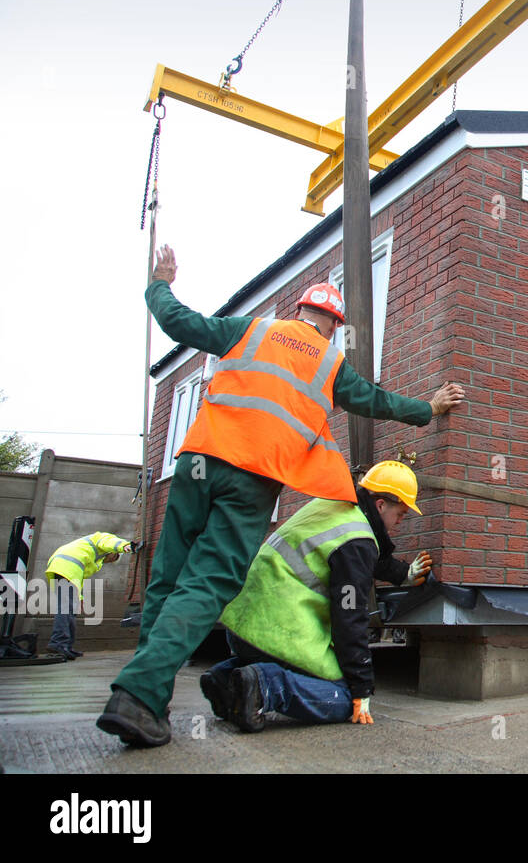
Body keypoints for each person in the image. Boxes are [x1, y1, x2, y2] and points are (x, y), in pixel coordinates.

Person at [98, 245, 464, 747]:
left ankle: (148, 698)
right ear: (334, 326)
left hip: (196, 463)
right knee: (209, 581)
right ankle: (138, 695)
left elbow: (180, 323)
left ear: (299, 312)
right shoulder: (330, 365)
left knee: (167, 577)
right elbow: (378, 402)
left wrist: (160, 282)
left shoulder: (252, 330)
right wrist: (430, 408)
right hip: (251, 480)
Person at [199, 461, 431, 731]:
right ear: (380, 505)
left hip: (242, 624)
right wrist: (361, 687)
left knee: (283, 664)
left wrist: (404, 573)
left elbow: (365, 555)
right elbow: (350, 618)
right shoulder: (357, 540)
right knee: (341, 696)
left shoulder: (337, 507)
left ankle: (225, 680)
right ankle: (265, 687)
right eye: (401, 513)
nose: (401, 521)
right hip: (277, 629)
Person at [44, 532, 136, 660]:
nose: (109, 561)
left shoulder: (95, 559)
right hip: (66, 566)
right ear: (113, 552)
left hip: (62, 567)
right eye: (113, 558)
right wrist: (125, 545)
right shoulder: (100, 538)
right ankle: (58, 643)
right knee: (66, 609)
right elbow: (109, 541)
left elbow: (78, 577)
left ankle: (66, 646)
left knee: (70, 609)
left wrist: (79, 598)